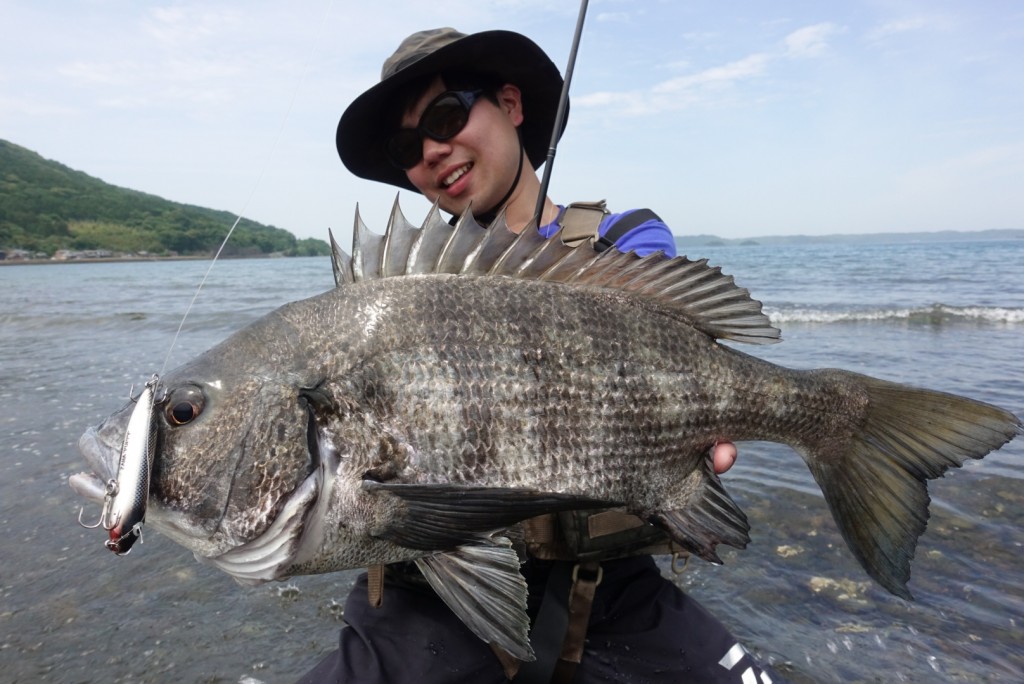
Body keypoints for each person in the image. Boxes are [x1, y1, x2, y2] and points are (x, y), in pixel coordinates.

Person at [298, 28, 776, 683]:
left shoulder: (622, 241)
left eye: (446, 117)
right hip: (428, 595)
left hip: (607, 589)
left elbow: (669, 340)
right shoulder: (397, 296)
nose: (432, 151)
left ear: (511, 105)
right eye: (408, 148)